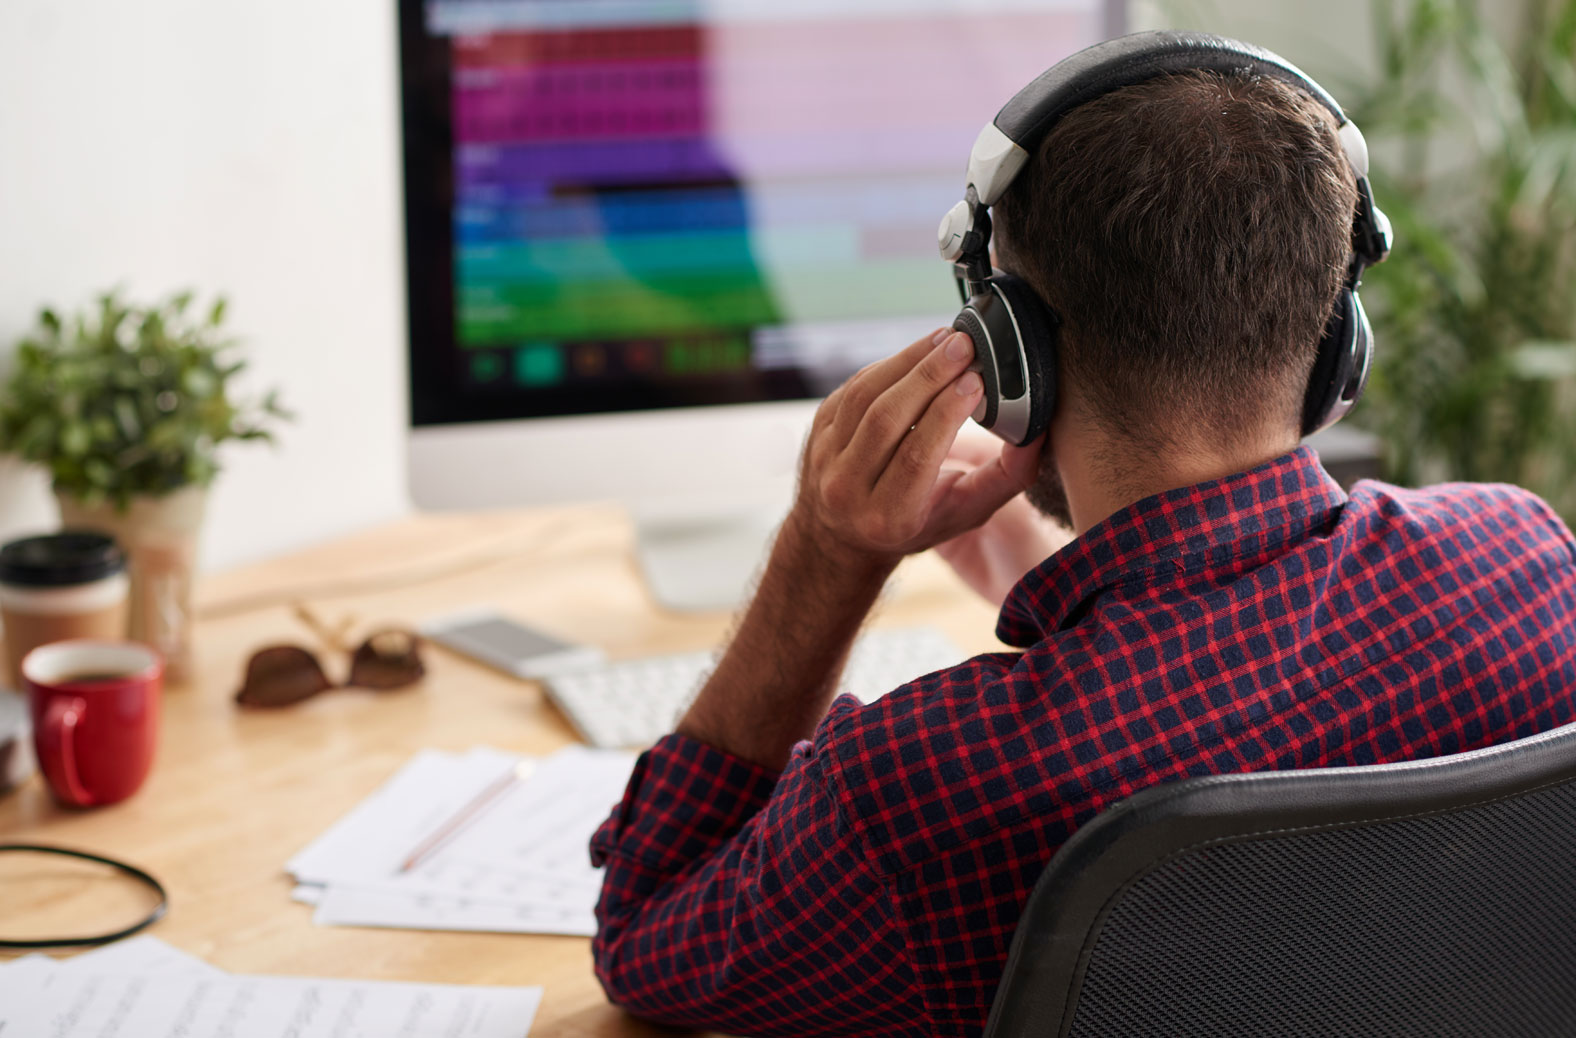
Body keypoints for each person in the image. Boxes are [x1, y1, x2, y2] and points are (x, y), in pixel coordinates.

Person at [586, 60, 1576, 1038]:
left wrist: (830, 548)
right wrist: (1053, 575)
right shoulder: (1524, 565)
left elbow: (645, 941)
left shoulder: (920, 789)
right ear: (1334, 343)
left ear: (1010, 354)